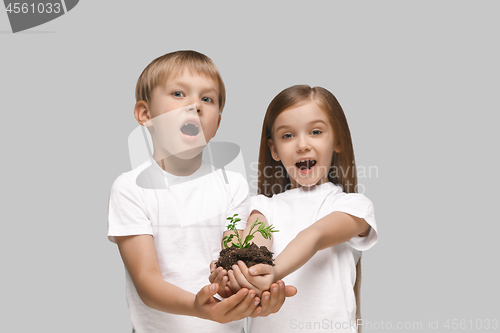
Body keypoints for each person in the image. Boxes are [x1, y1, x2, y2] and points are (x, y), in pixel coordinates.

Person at [107, 50, 295, 333]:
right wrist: (198, 308)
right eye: (179, 94)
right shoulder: (130, 188)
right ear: (145, 114)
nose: (195, 105)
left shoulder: (233, 185)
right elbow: (146, 280)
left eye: (207, 99)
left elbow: (232, 252)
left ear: (216, 124)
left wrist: (251, 292)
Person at [214, 85, 378, 332]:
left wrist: (274, 271)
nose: (302, 145)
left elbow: (315, 236)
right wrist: (237, 270)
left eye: (315, 131)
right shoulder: (261, 206)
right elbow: (256, 243)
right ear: (274, 150)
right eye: (287, 135)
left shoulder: (353, 206)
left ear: (338, 141)